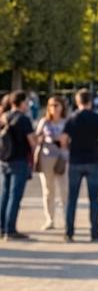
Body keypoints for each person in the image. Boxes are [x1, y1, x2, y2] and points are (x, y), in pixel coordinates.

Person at [63, 88, 98, 242]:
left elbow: (63, 141)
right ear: (90, 101)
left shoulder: (71, 119)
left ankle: (69, 232)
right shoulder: (97, 118)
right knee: (94, 199)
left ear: (77, 101)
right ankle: (94, 231)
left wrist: (71, 146)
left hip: (75, 160)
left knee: (72, 199)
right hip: (92, 159)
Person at [0, 90, 37, 240]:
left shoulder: (4, 117)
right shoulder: (23, 120)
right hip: (19, 160)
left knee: (4, 195)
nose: (28, 105)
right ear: (21, 103)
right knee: (15, 196)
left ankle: (2, 227)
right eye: (26, 102)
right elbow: (32, 142)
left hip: (4, 159)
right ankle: (11, 229)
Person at [35, 96, 69, 230]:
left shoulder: (66, 122)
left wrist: (64, 141)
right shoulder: (44, 122)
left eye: (57, 105)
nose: (54, 108)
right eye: (51, 105)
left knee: (64, 190)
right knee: (48, 190)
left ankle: (67, 219)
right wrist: (41, 138)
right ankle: (50, 219)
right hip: (46, 157)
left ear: (62, 107)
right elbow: (36, 137)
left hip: (62, 157)